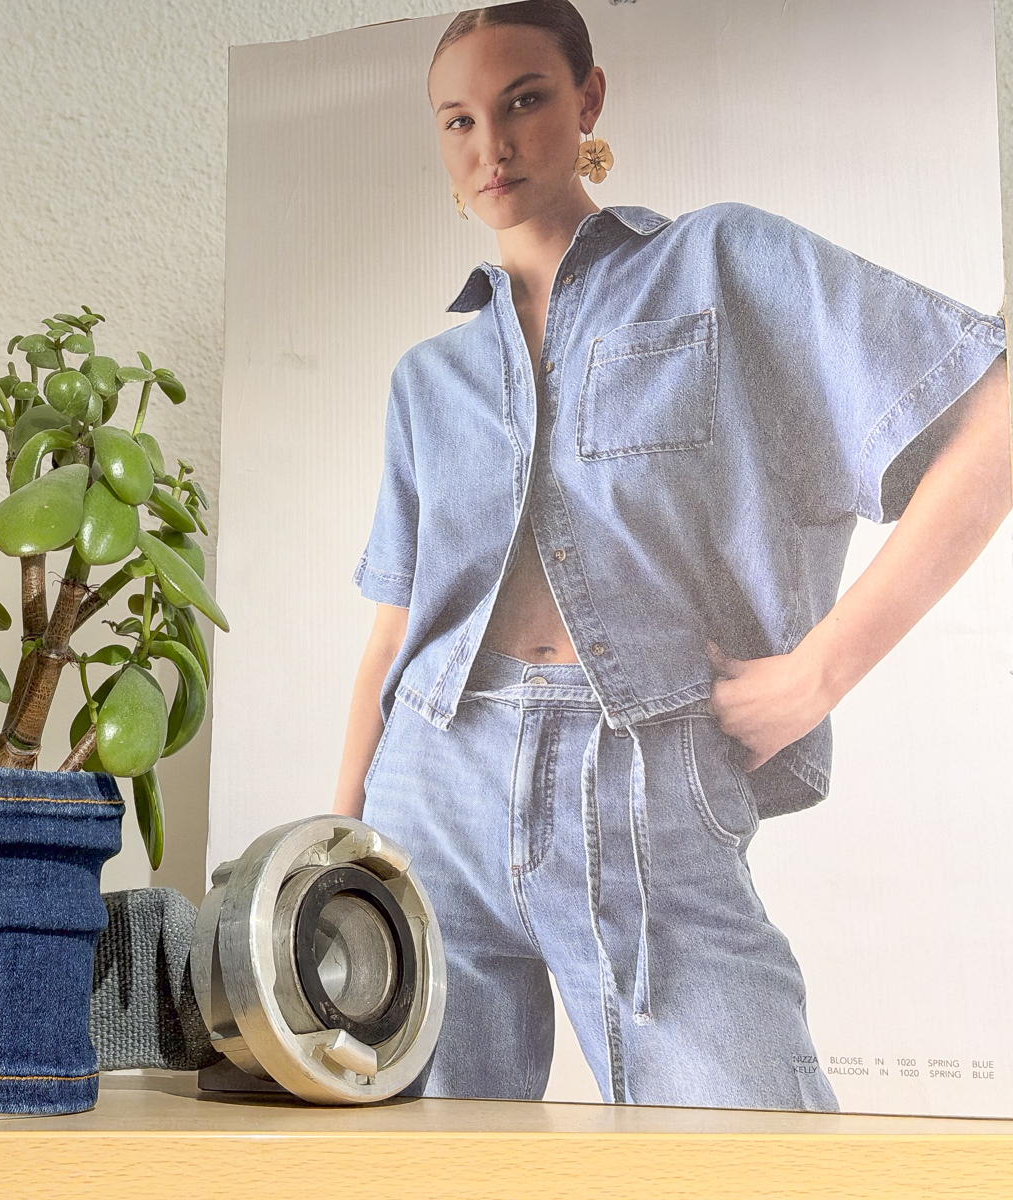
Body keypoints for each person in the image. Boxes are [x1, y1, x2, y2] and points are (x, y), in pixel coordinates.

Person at [332, 0, 1011, 1110]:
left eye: (523, 101)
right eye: (458, 120)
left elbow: (995, 415)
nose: (492, 144)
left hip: (641, 775)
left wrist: (818, 674)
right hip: (429, 784)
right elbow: (394, 633)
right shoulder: (428, 380)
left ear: (587, 99)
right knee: (422, 1163)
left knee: (757, 1161)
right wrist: (341, 841)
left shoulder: (717, 262)